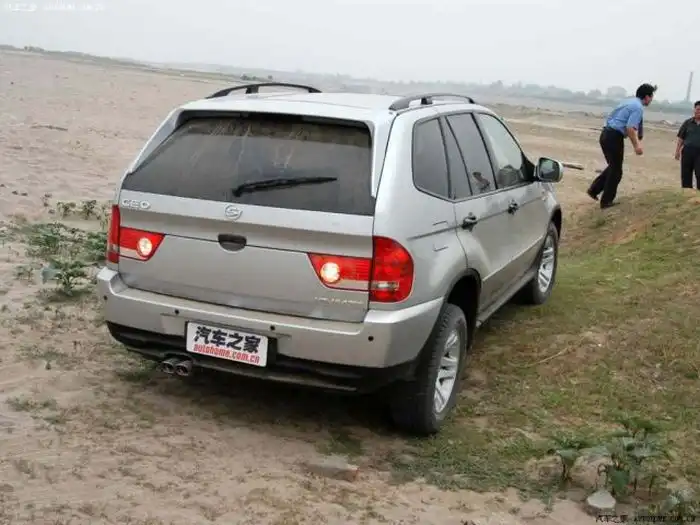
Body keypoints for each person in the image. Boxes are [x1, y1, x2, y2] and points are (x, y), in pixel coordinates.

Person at [587, 83, 657, 208]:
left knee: (613, 167)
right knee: (616, 171)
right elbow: (630, 128)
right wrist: (637, 146)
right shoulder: (638, 107)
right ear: (647, 97)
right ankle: (606, 201)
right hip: (614, 136)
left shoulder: (627, 102)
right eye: (651, 97)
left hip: (605, 134)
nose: (652, 100)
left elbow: (613, 117)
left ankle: (594, 190)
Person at [674, 100, 700, 190]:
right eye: (698, 109)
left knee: (699, 174)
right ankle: (686, 193)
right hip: (687, 151)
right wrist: (677, 151)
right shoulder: (688, 123)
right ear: (694, 110)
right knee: (686, 174)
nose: (699, 112)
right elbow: (681, 138)